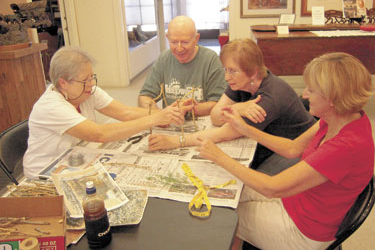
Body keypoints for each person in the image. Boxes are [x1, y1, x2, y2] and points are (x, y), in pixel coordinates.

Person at [197, 52, 374, 250]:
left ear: (332, 98)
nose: (305, 95)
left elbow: (272, 187)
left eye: (311, 90)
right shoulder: (339, 117)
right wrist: (246, 129)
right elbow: (292, 148)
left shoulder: (345, 146)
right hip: (297, 201)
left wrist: (219, 157)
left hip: (303, 231)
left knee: (225, 214)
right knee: (228, 193)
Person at [148, 38, 316, 175]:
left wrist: (175, 141)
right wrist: (239, 108)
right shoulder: (242, 82)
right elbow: (215, 116)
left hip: (299, 149)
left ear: (253, 72)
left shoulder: (269, 98)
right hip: (271, 140)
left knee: (252, 181)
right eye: (225, 70)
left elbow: (223, 133)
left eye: (233, 71)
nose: (227, 77)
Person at [23, 46, 184, 179]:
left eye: (92, 77)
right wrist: (154, 118)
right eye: (85, 80)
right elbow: (99, 134)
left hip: (73, 157)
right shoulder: (51, 106)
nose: (91, 84)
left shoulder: (87, 91)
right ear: (63, 83)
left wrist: (166, 113)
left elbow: (125, 112)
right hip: (46, 172)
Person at [138, 15, 226, 117]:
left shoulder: (211, 60)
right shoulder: (164, 59)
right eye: (174, 42)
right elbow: (145, 96)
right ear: (167, 38)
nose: (179, 49)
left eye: (185, 42)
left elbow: (218, 104)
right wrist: (158, 115)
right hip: (170, 122)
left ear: (196, 38)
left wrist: (185, 111)